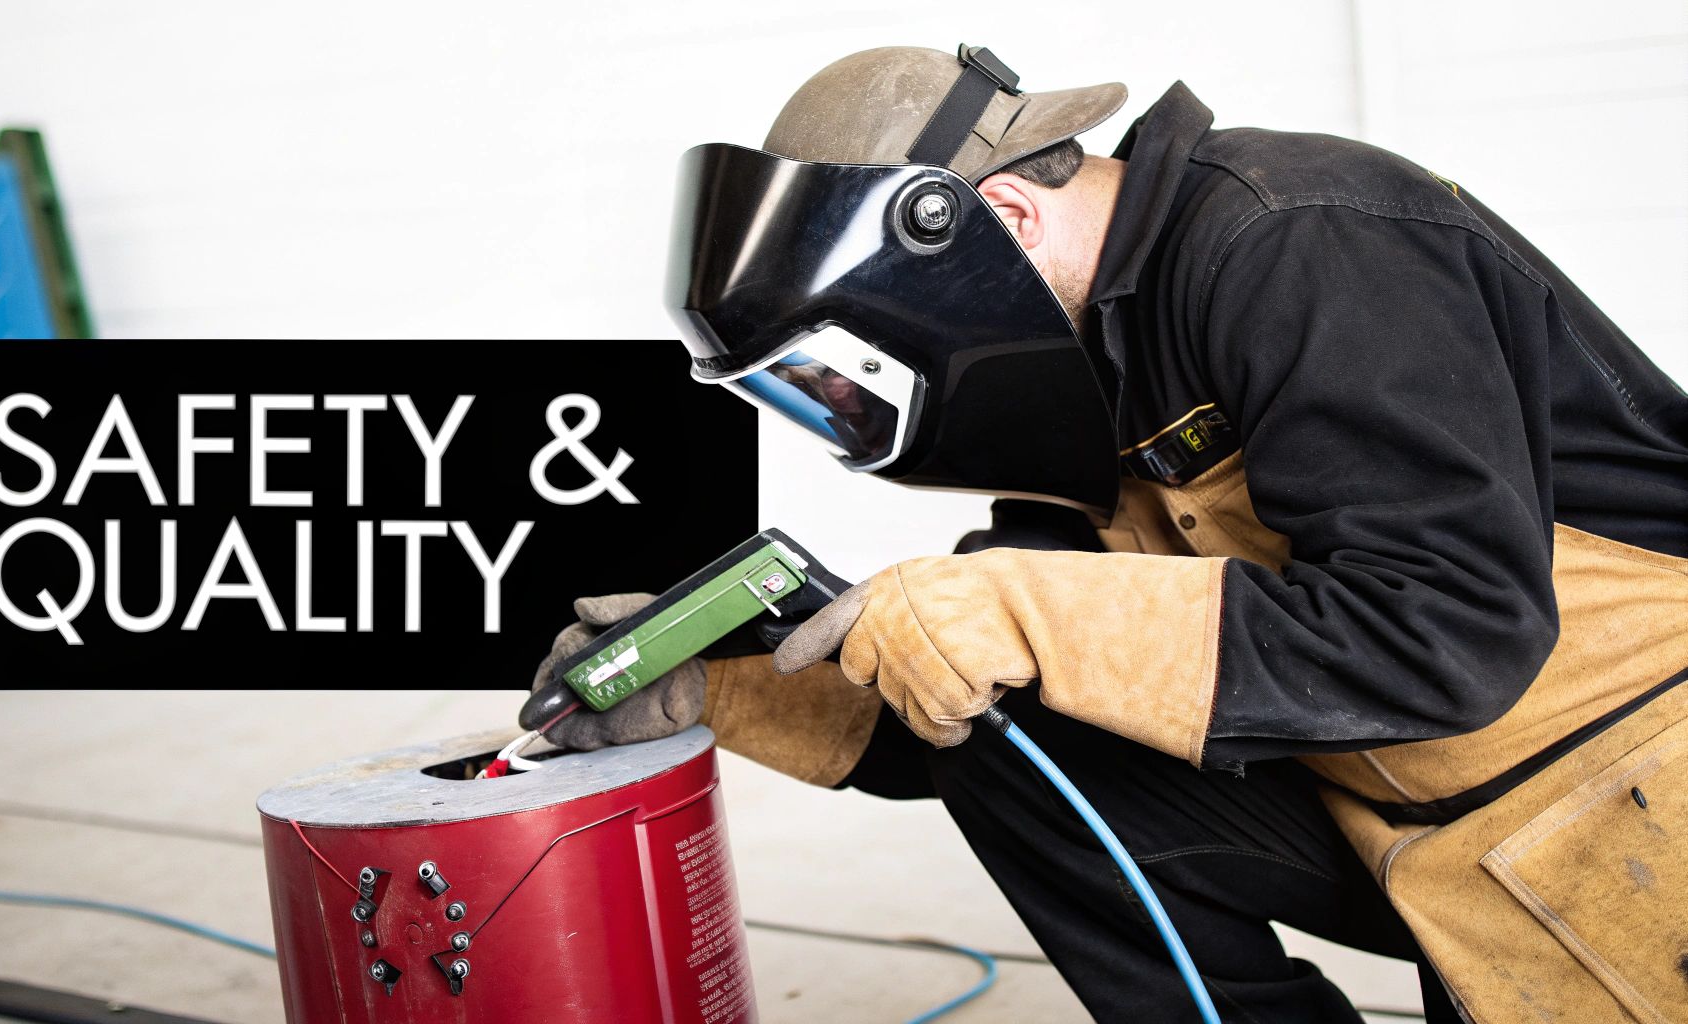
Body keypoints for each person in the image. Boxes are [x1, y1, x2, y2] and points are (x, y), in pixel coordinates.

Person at [533, 44, 1688, 1022]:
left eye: (844, 370)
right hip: (1413, 817)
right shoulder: (1096, 374)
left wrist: (1017, 609)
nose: (847, 411)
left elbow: (1449, 630)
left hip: (1619, 805)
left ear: (994, 219)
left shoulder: (1294, 239)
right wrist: (721, 683)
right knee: (1000, 738)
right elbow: (980, 689)